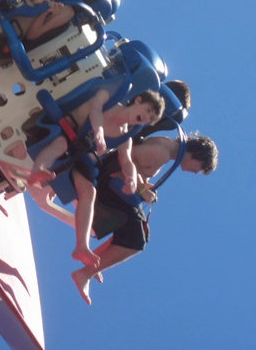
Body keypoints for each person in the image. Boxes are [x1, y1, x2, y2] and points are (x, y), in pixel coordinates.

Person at [70, 132, 218, 304]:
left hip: (110, 182)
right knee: (136, 239)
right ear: (197, 155)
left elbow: (137, 165)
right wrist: (141, 188)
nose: (196, 172)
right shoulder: (162, 153)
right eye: (199, 167)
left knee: (139, 232)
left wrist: (143, 185)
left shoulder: (168, 148)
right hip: (104, 183)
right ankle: (85, 273)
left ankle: (94, 264)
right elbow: (125, 158)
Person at [27, 90, 165, 270]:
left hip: (78, 155)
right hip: (65, 129)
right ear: (137, 100)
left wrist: (131, 178)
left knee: (89, 192)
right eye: (147, 110)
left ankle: (81, 246)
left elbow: (127, 160)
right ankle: (38, 170)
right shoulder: (110, 97)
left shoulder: (124, 136)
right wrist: (98, 130)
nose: (145, 116)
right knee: (59, 145)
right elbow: (95, 109)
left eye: (149, 118)